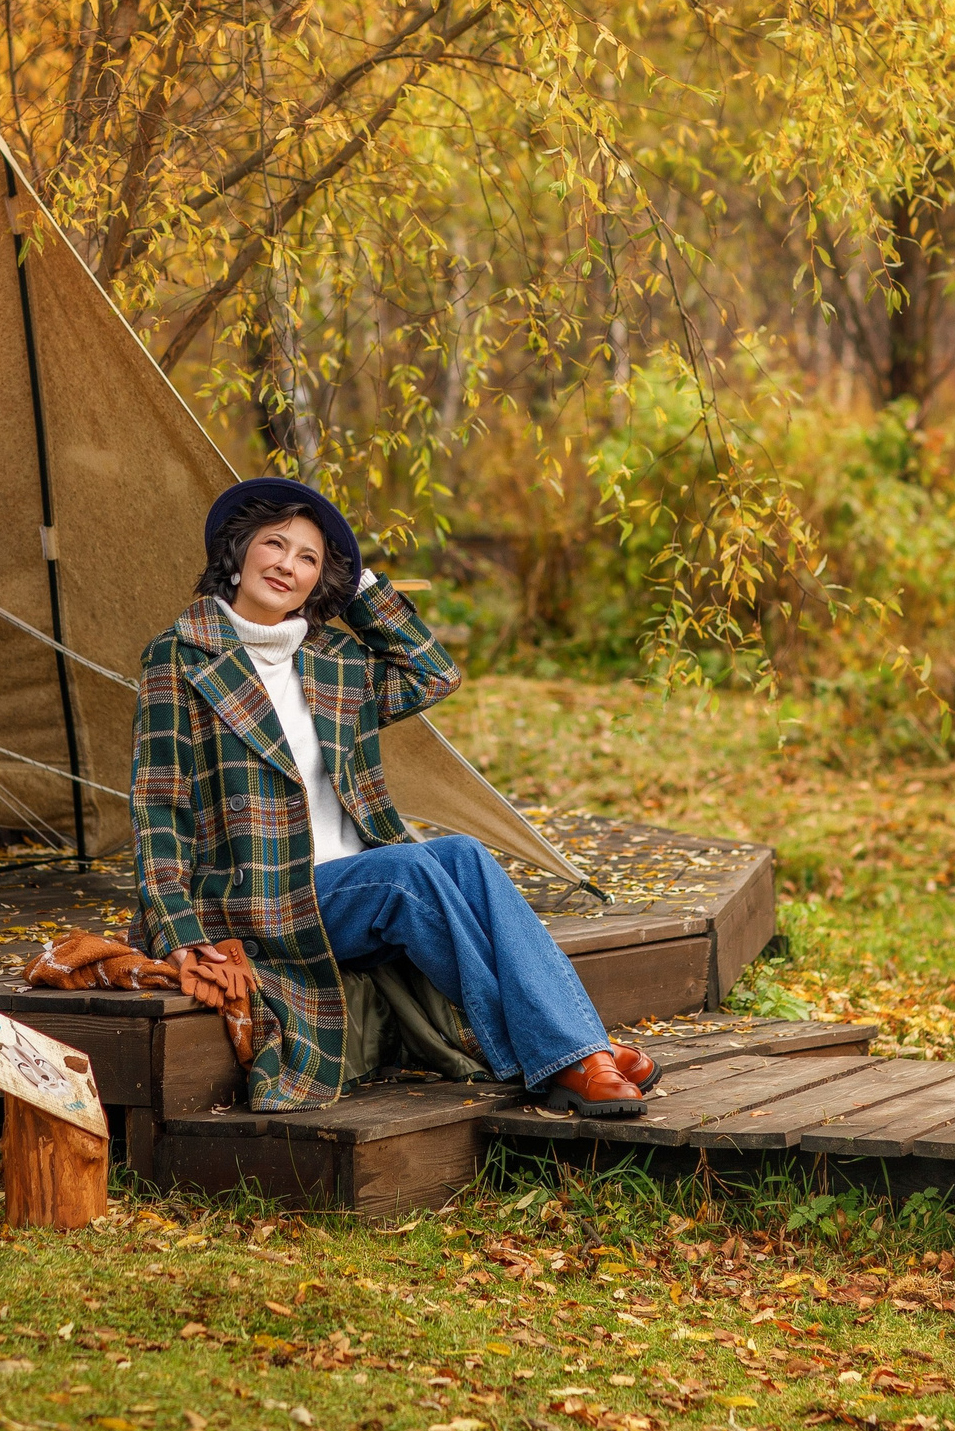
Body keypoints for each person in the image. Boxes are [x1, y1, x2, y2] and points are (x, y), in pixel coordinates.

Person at [130, 476, 653, 1116]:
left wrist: (362, 591)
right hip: (256, 896)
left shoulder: (332, 662)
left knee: (464, 855)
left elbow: (435, 673)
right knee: (407, 872)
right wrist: (176, 925)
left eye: (308, 559)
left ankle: (576, 1047)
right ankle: (570, 1055)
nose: (286, 566)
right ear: (237, 552)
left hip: (348, 880)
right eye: (274, 544)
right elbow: (158, 803)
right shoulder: (180, 657)